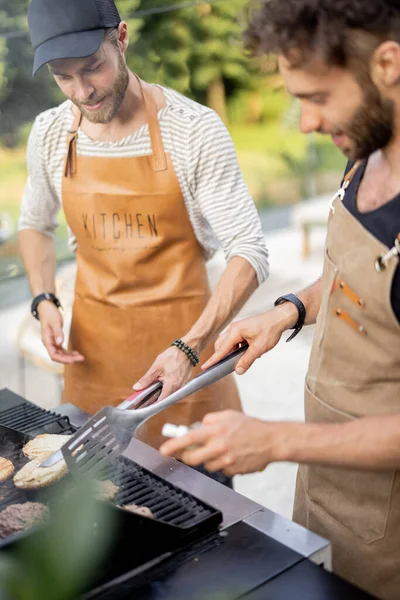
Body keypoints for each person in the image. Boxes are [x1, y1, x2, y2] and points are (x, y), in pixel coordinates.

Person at [160, 0, 400, 596]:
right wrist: (288, 310)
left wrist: (275, 439)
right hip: (330, 480)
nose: (304, 124)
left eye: (316, 97)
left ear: (390, 64)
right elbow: (365, 283)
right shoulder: (366, 157)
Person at [18, 0, 269, 466]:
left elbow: (250, 250)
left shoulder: (193, 131)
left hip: (185, 374)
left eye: (93, 67)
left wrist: (190, 348)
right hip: (93, 372)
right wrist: (43, 298)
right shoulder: (51, 133)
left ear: (123, 38)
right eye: (63, 76)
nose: (82, 91)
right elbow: (34, 223)